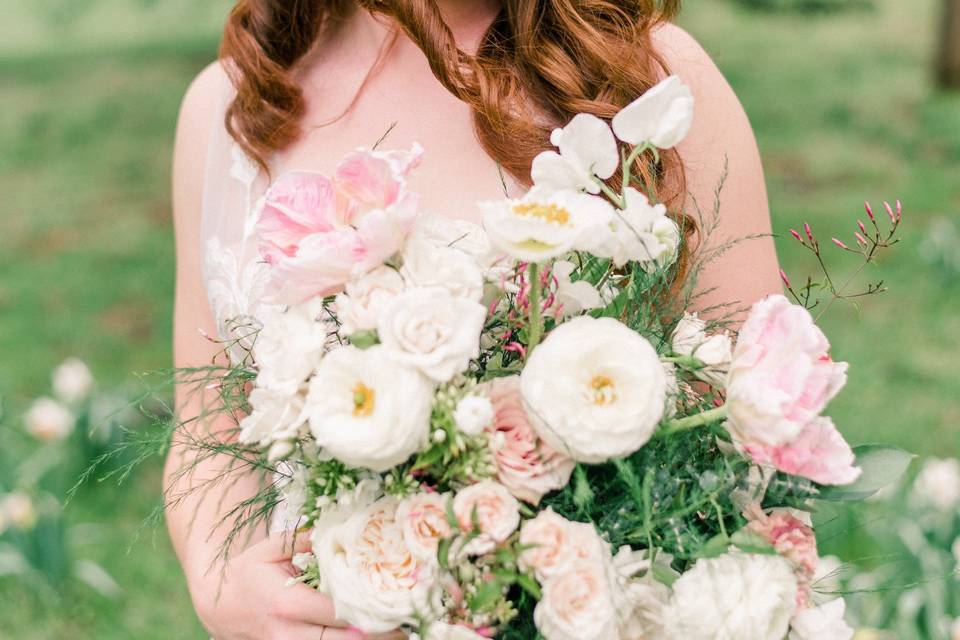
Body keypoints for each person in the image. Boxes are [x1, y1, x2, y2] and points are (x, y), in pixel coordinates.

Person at [166, 1, 780, 638]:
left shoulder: (649, 79)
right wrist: (223, 583)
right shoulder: (227, 107)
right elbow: (207, 419)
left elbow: (754, 412)